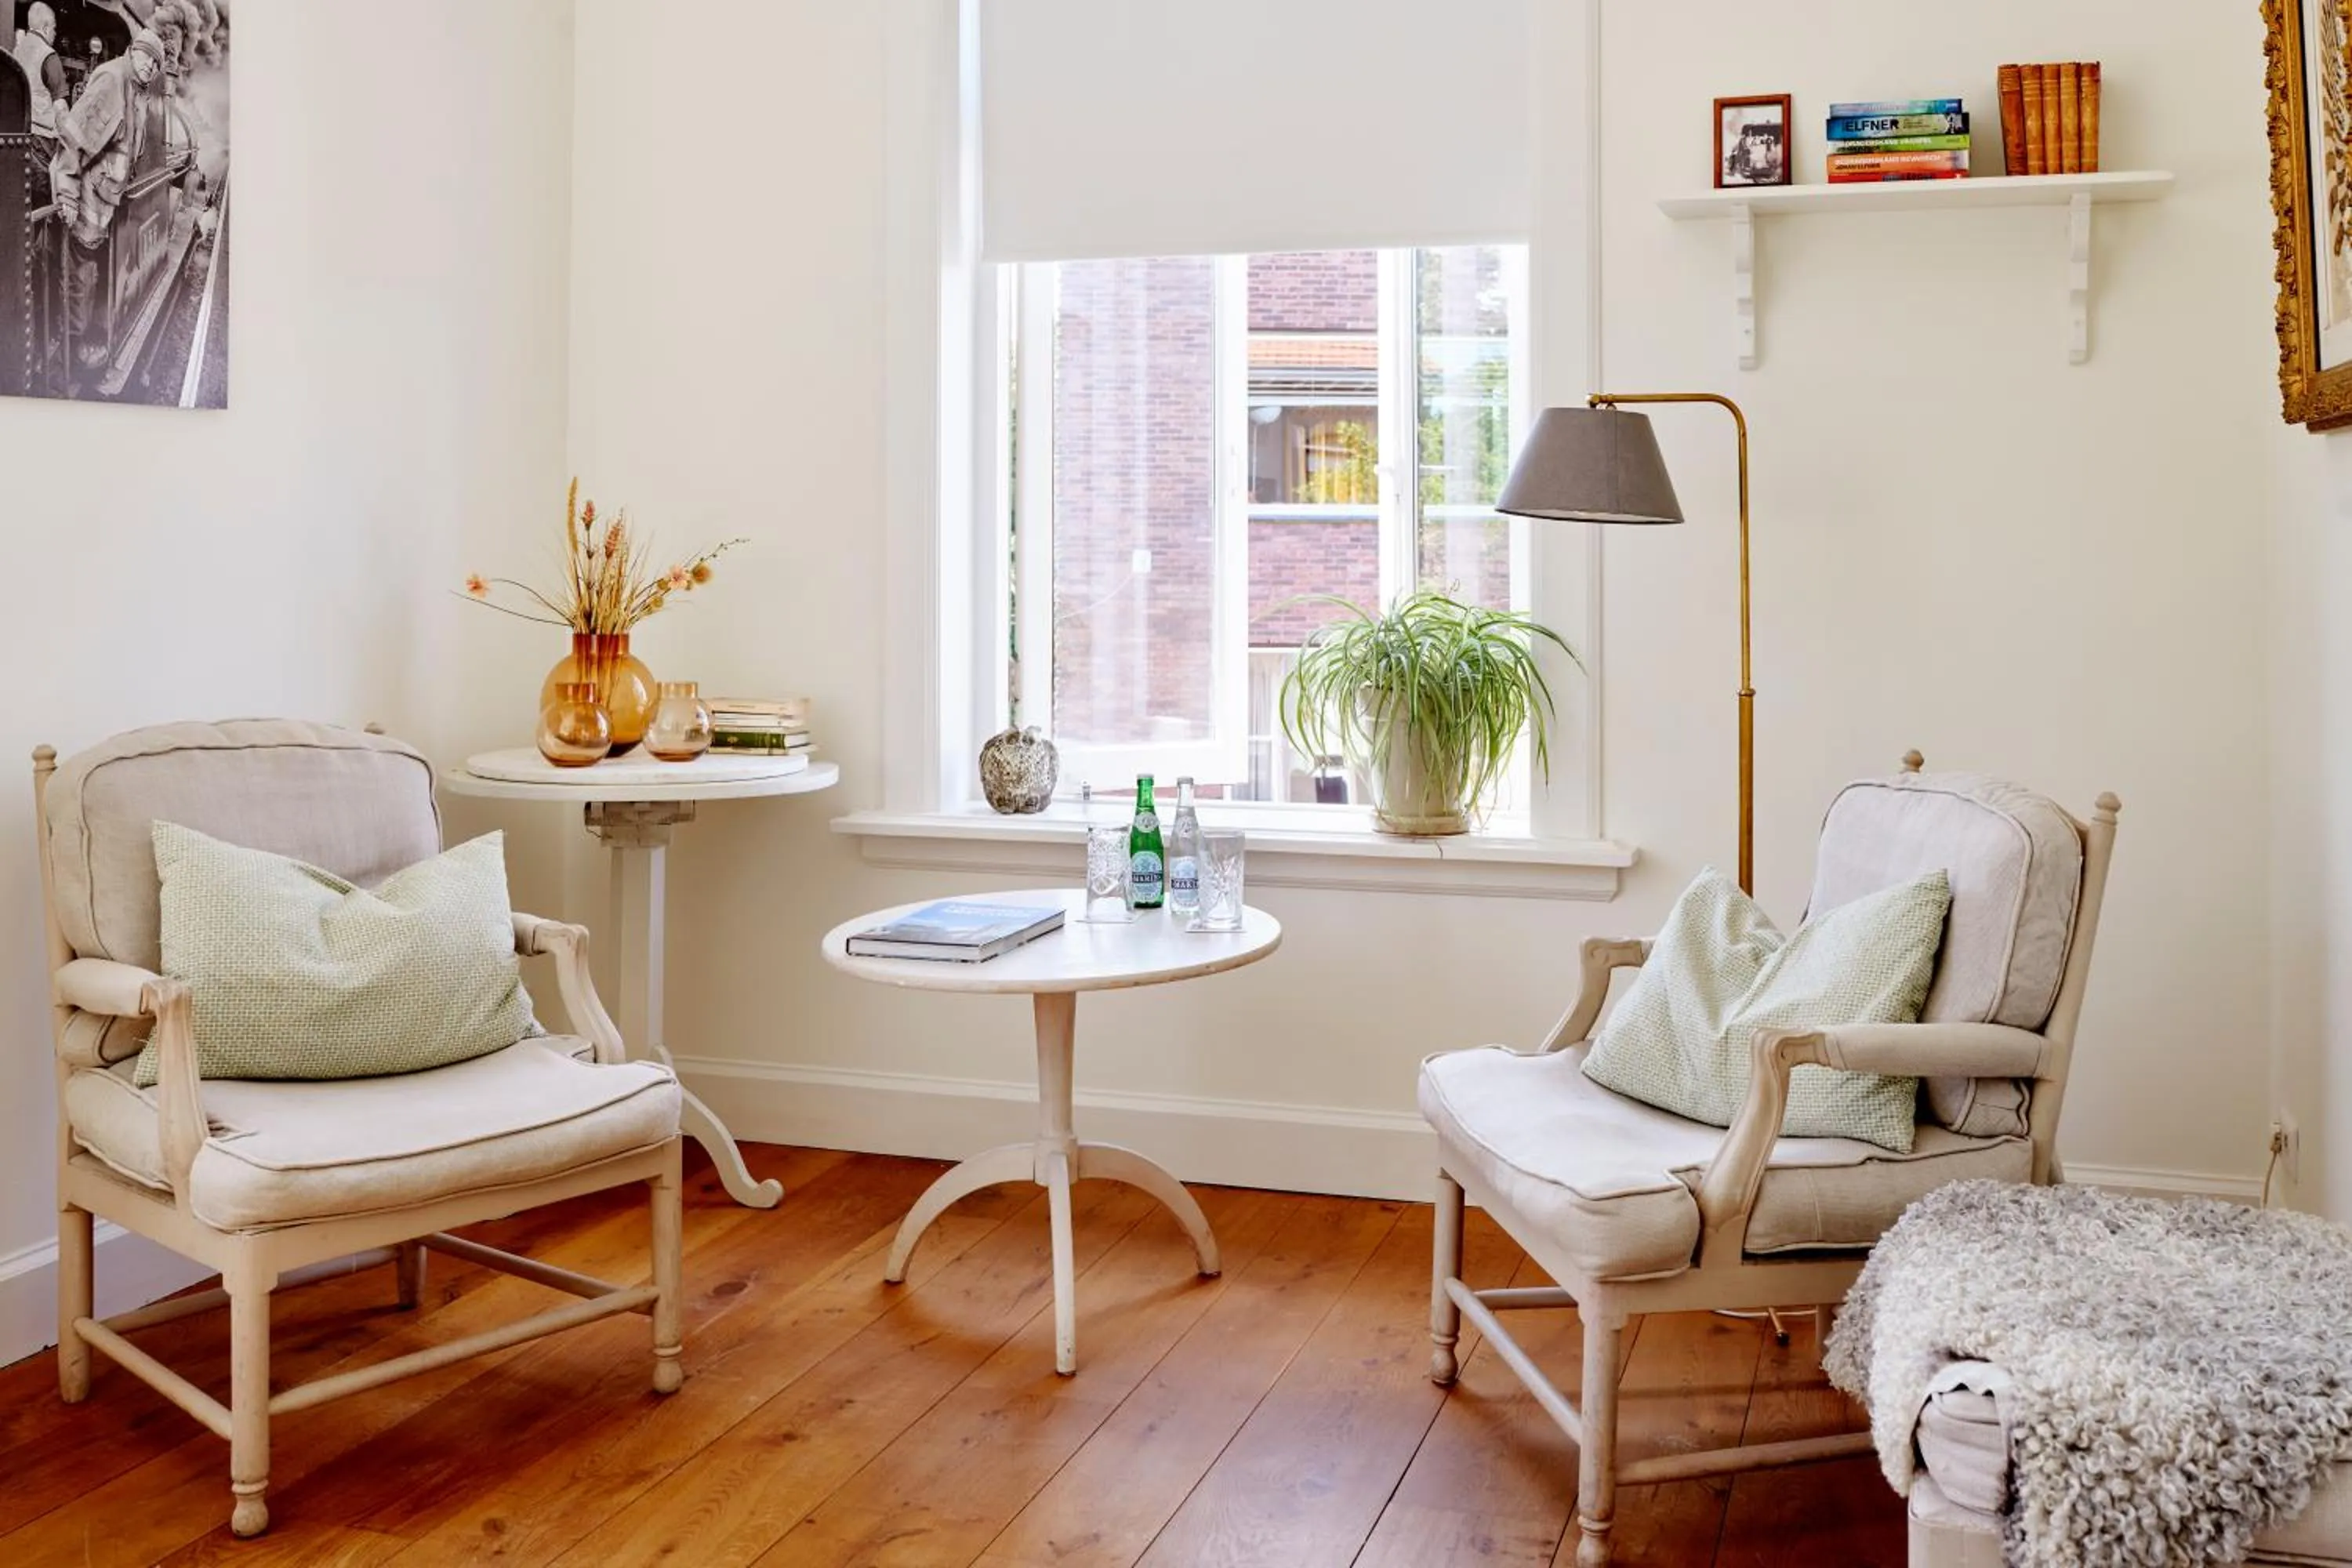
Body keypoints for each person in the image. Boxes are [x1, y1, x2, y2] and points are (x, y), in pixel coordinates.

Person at [50, 28, 165, 371]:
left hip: (103, 205)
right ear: (134, 52)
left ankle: (75, 344)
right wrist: (68, 195)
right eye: (147, 58)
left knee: (87, 274)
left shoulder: (136, 89)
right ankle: (68, 354)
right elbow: (74, 139)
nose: (151, 67)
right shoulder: (112, 81)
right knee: (78, 277)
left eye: (157, 64)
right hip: (86, 202)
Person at [11, 4, 67, 187]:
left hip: (20, 137)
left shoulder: (16, 52)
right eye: (55, 28)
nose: (56, 33)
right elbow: (60, 108)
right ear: (45, 28)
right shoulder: (49, 56)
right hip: (43, 143)